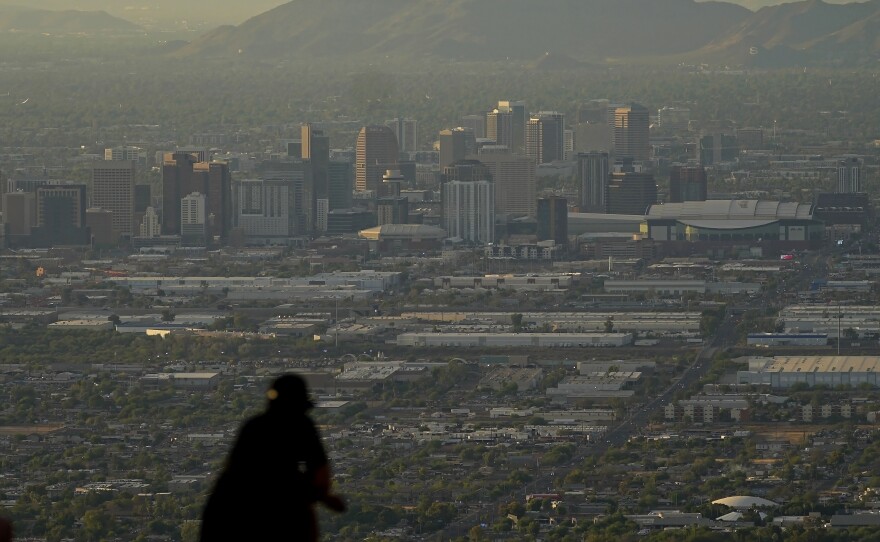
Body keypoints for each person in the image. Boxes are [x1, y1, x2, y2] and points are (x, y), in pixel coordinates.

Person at [200, 374, 345, 542]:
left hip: (222, 514)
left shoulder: (252, 426)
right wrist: (322, 496)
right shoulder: (301, 426)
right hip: (277, 516)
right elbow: (321, 477)